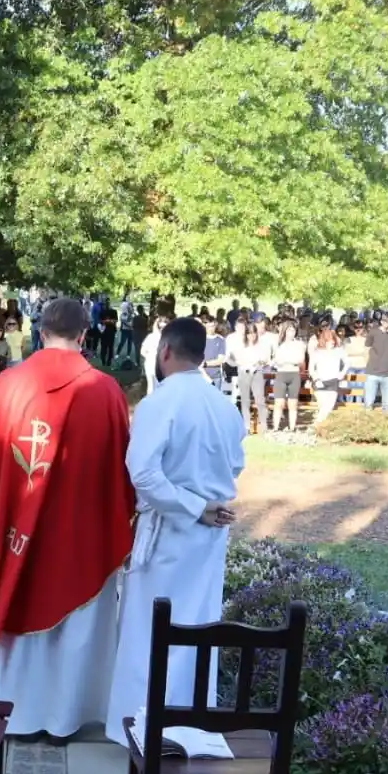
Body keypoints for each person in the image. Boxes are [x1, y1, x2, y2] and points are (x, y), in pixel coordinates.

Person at [0, 297, 135, 738]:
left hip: (11, 532)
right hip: (75, 537)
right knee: (73, 606)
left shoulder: (7, 385)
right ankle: (64, 715)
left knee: (9, 588)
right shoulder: (104, 391)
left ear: (40, 332)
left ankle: (5, 704)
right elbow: (121, 472)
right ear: (84, 335)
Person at [104, 317, 247, 746]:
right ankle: (186, 724)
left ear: (164, 351)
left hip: (169, 530)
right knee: (196, 625)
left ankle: (140, 725)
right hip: (207, 533)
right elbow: (235, 464)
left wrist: (191, 505)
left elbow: (143, 474)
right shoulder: (225, 405)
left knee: (153, 628)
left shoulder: (159, 402)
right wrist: (206, 503)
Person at [363, 311, 388, 413]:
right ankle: (368, 410)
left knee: (387, 405)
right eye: (384, 321)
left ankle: (387, 411)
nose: (386, 324)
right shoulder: (373, 332)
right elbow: (366, 349)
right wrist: (368, 363)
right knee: (368, 403)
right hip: (372, 371)